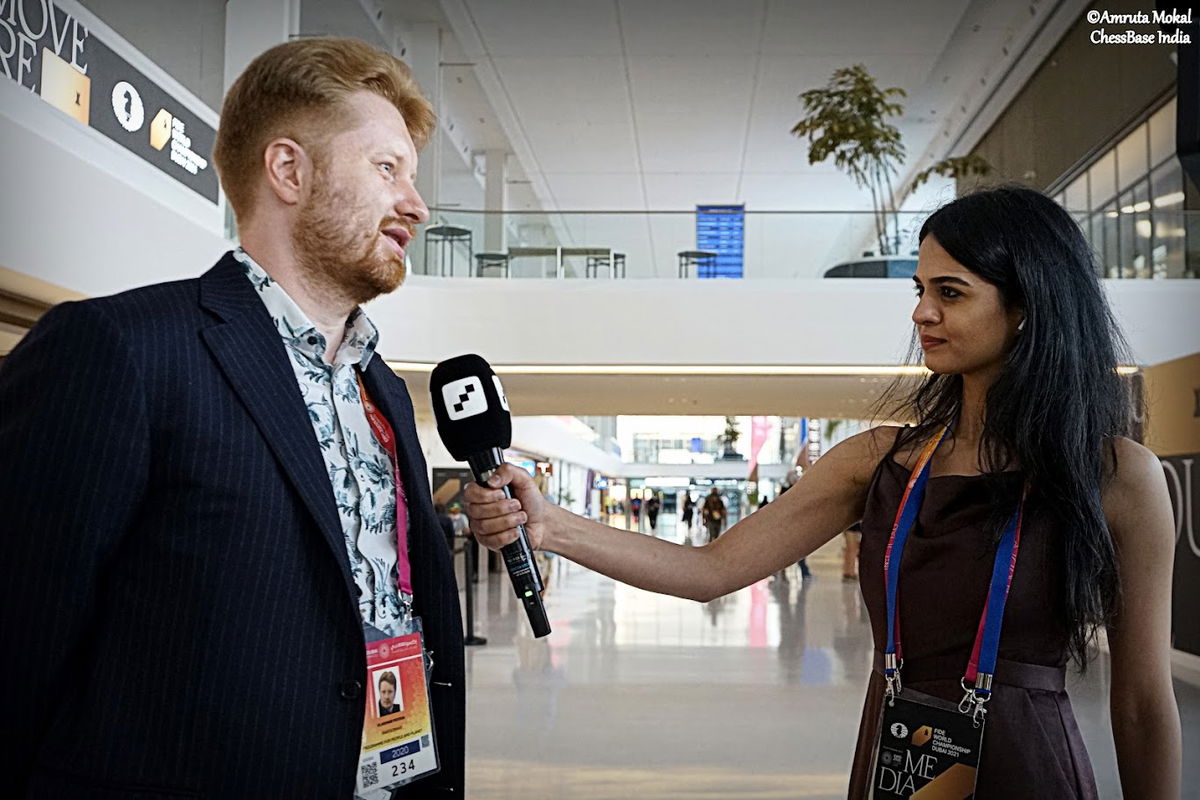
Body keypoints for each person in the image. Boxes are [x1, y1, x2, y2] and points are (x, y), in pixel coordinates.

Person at [465, 186, 1181, 798]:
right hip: (897, 762)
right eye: (920, 290)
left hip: (1028, 769)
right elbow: (710, 570)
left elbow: (1144, 703)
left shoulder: (1117, 476)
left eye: (950, 292)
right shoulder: (877, 463)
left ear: (1027, 305)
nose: (921, 313)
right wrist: (550, 525)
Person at [0, 38, 466, 798]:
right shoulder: (123, 351)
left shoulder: (379, 386)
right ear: (289, 170)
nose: (415, 205)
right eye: (387, 169)